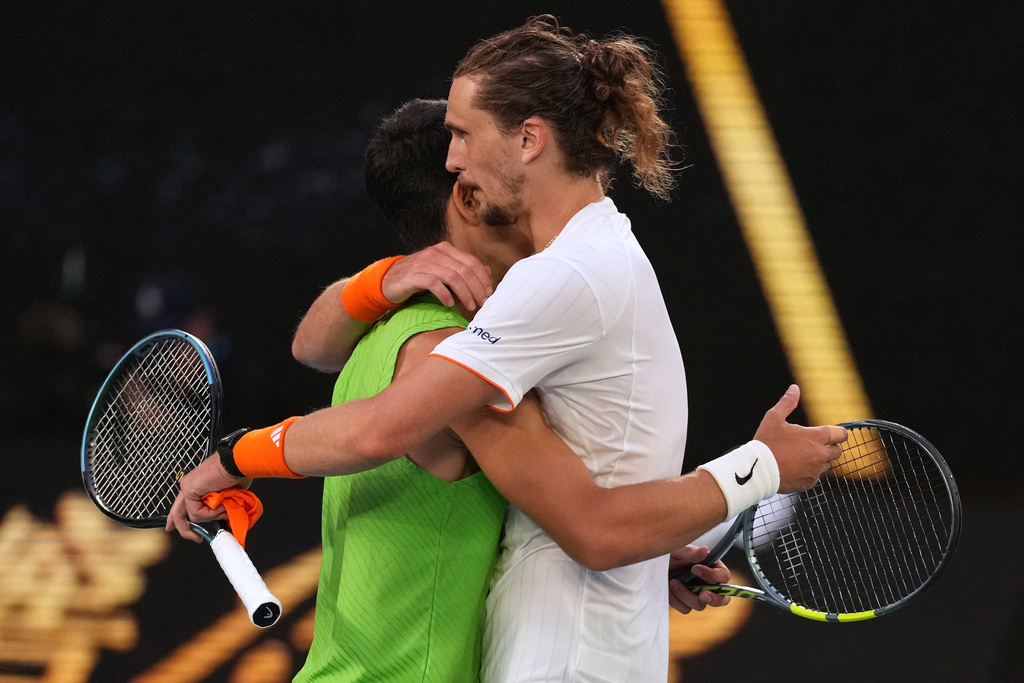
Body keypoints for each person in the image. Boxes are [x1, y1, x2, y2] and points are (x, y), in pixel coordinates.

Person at [169, 16, 846, 682]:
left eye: (464, 134)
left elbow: (324, 359)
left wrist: (657, 546)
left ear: (528, 139)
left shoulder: (526, 289)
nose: (455, 154)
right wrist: (757, 468)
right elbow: (587, 523)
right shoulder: (531, 293)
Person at [291, 98, 732, 682]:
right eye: (511, 183)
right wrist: (765, 466)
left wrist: (650, 560)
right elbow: (597, 528)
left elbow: (308, 347)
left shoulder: (381, 329)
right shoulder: (451, 360)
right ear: (468, 195)